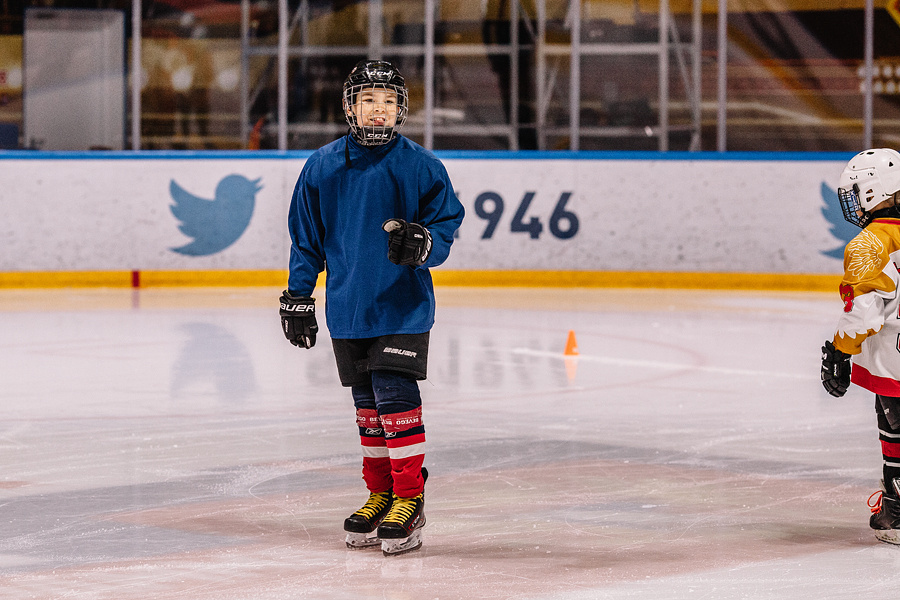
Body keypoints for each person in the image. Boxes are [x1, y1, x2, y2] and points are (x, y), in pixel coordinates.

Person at [279, 59, 464, 556]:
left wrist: (425, 243)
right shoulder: (321, 166)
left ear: (400, 110)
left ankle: (409, 496)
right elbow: (306, 241)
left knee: (394, 395)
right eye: (369, 101)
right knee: (367, 409)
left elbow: (446, 225)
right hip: (348, 308)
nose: (378, 111)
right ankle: (380, 494)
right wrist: (298, 296)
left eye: (388, 102)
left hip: (401, 306)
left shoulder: (422, 166)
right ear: (350, 107)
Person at [821, 147, 900, 544]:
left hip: (895, 362)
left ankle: (898, 513)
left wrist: (839, 351)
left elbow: (866, 312)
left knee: (895, 432)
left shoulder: (869, 244)